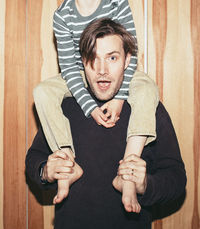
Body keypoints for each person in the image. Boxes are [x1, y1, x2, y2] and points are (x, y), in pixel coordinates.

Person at [26, 19, 186, 229]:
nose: (101, 69)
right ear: (82, 65)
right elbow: (34, 160)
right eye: (92, 59)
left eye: (112, 57)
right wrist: (45, 171)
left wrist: (145, 184)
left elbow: (176, 179)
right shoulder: (64, 105)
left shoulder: (150, 108)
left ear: (127, 61)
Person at [33, 0, 159, 213]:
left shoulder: (117, 3)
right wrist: (90, 106)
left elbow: (130, 50)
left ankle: (127, 172)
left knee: (147, 87)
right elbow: (70, 68)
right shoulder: (63, 15)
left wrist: (120, 97)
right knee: (42, 91)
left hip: (122, 75)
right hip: (80, 75)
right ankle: (68, 166)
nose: (101, 69)